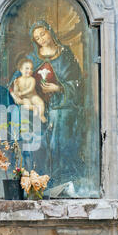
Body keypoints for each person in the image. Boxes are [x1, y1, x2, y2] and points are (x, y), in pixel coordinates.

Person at [8, 20, 85, 193]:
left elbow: (78, 83)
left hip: (62, 104)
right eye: (37, 37)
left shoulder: (65, 54)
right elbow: (16, 80)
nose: (41, 39)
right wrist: (17, 92)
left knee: (60, 118)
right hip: (37, 105)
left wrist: (59, 88)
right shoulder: (32, 58)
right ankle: (38, 177)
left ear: (50, 32)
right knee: (31, 124)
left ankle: (63, 175)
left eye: (42, 34)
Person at [10, 58, 47, 122]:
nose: (29, 70)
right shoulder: (18, 80)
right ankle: (33, 108)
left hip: (33, 96)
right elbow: (16, 92)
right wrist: (15, 86)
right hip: (25, 98)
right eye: (27, 68)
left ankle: (41, 115)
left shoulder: (32, 79)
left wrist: (21, 93)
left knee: (40, 102)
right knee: (26, 104)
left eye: (31, 69)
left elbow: (30, 89)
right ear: (21, 69)